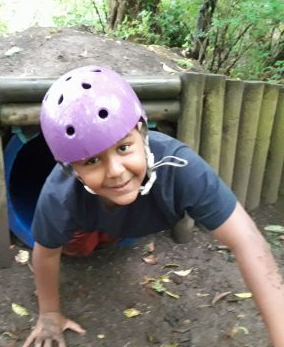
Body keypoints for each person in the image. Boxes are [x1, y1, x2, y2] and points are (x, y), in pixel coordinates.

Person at [22, 65, 284, 347]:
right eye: (91, 161)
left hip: (126, 215)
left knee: (112, 231)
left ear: (142, 133)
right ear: (71, 168)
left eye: (123, 147)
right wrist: (49, 313)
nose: (115, 171)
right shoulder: (60, 195)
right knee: (82, 248)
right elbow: (46, 253)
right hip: (87, 221)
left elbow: (248, 241)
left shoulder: (180, 168)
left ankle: (112, 232)